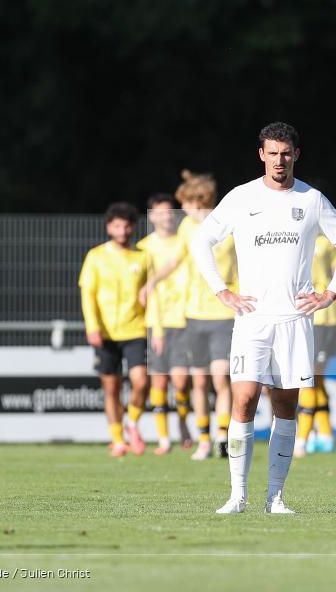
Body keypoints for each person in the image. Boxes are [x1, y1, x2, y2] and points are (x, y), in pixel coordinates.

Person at [191, 122, 336, 514]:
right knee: (244, 401)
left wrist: (330, 293)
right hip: (252, 318)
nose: (279, 160)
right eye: (272, 152)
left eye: (286, 153)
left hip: (294, 320)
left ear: (296, 155)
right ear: (261, 155)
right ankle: (237, 496)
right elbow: (202, 241)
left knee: (286, 408)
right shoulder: (240, 197)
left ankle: (275, 497)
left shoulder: (313, 199)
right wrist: (222, 290)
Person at [78, 202, 151, 457]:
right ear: (110, 227)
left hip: (136, 329)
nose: (122, 230)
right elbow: (88, 294)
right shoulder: (96, 256)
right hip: (106, 332)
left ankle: (132, 423)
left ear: (132, 227)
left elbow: (153, 290)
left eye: (127, 225)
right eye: (117, 225)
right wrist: (92, 326)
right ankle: (118, 440)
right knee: (112, 388)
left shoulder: (142, 256)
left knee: (141, 381)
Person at [177, 172, 238, 460]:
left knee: (220, 379)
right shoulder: (186, 228)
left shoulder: (228, 227)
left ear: (199, 200)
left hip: (223, 314)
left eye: (186, 202)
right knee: (198, 381)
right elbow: (175, 261)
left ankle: (222, 437)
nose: (183, 209)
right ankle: (203, 439)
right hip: (192, 314)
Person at [137, 192, 192, 455]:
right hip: (157, 323)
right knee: (159, 383)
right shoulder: (145, 247)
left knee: (181, 382)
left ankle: (183, 421)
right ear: (151, 216)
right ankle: (163, 439)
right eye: (160, 212)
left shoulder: (184, 241)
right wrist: (156, 329)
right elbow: (148, 294)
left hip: (183, 320)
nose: (166, 216)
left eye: (170, 211)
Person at [294, 234, 336, 457]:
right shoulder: (291, 237)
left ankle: (302, 440)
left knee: (308, 378)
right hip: (300, 317)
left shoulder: (327, 243)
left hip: (323, 319)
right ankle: (326, 436)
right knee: (315, 379)